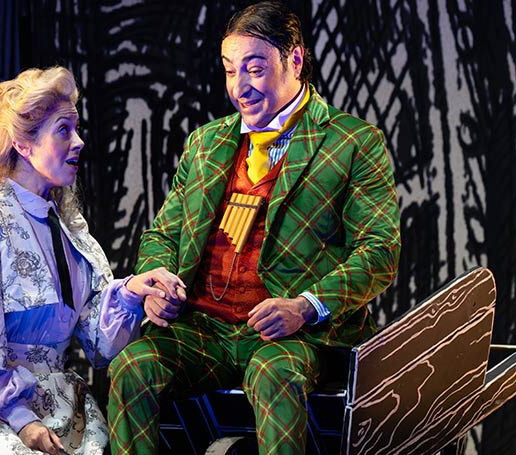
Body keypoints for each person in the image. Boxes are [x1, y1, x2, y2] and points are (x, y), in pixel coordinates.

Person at [108, 2, 401, 454]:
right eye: (229, 70)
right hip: (205, 329)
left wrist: (305, 306)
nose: (239, 87)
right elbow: (163, 236)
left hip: (291, 336)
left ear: (296, 60)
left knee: (272, 373)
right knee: (133, 365)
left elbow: (379, 252)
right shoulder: (208, 143)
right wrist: (157, 280)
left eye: (255, 68)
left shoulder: (352, 142)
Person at [0, 66, 185, 455]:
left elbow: (100, 344)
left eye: (76, 129)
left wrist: (131, 292)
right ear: (23, 144)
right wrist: (22, 421)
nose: (78, 142)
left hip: (62, 409)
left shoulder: (69, 229)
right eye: (64, 130)